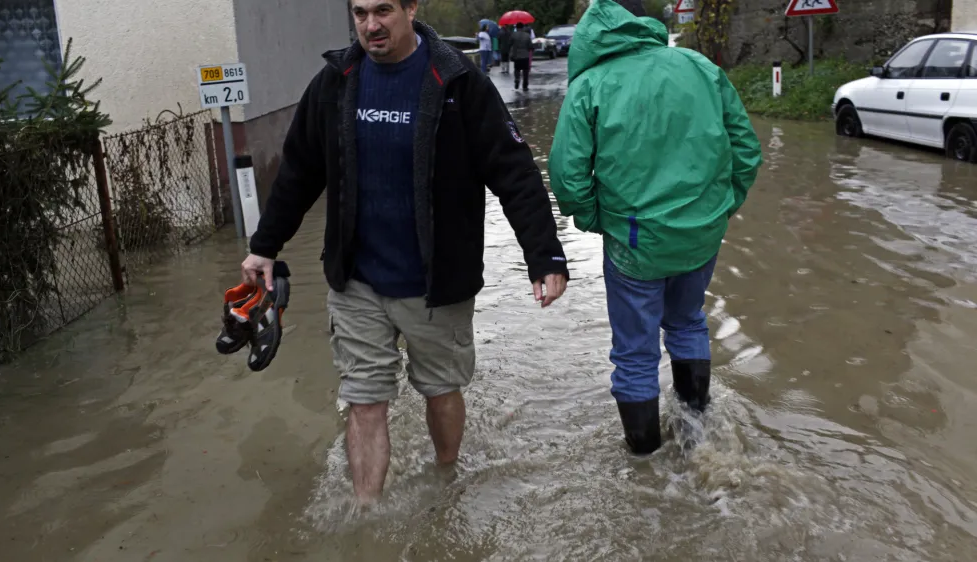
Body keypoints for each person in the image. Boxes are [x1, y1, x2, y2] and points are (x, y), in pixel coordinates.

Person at [243, 0, 570, 504]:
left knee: (440, 391)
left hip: (436, 282)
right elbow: (299, 170)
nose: (370, 25)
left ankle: (446, 479)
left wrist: (544, 255)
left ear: (411, 8)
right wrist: (264, 246)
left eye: (383, 11)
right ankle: (365, 514)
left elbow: (515, 172)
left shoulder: (458, 82)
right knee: (364, 400)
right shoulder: (335, 82)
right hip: (356, 280)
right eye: (359, 13)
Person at [548, 0, 762, 456]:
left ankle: (643, 461)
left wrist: (594, 219)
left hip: (634, 243)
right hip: (700, 234)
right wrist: (722, 208)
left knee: (635, 353)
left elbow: (566, 176)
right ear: (646, 22)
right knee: (687, 322)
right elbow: (746, 148)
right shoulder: (699, 66)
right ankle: (696, 432)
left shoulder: (589, 85)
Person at [510, 22, 533, 91]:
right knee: (525, 71)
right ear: (523, 27)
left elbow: (510, 44)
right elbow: (530, 46)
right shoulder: (527, 35)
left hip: (517, 56)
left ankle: (517, 79)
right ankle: (525, 86)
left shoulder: (513, 35)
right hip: (525, 56)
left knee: (517, 69)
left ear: (516, 28)